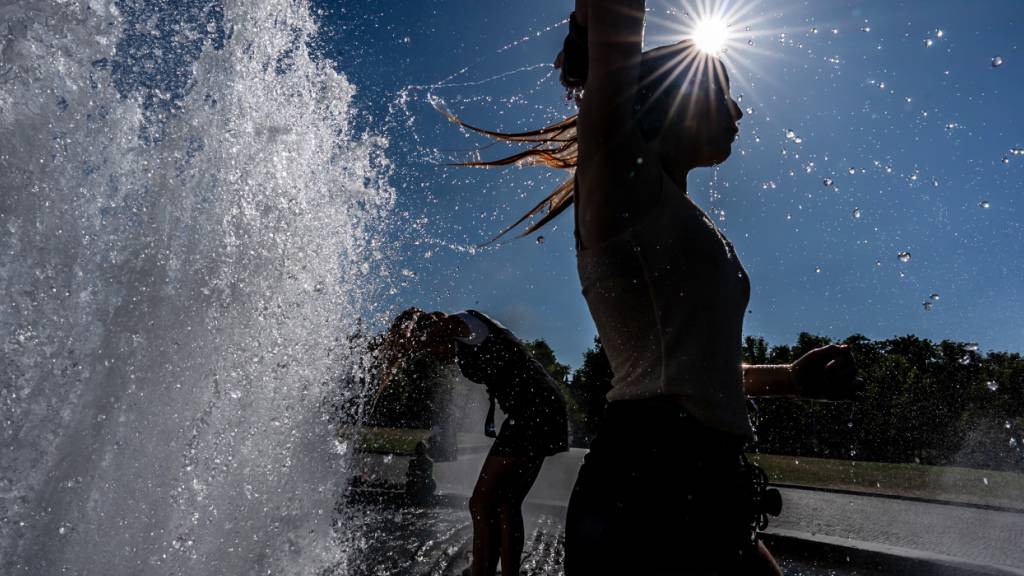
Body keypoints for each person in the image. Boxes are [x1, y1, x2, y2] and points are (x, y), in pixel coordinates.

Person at [446, 2, 858, 573]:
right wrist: (598, 36)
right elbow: (617, 30)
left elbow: (687, 370)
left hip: (704, 483)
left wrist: (789, 378)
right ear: (675, 104)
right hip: (648, 487)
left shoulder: (679, 215)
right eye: (722, 94)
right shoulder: (620, 186)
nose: (738, 109)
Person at [381, 308, 569, 576]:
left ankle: (482, 571)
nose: (434, 355)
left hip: (533, 410)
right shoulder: (469, 333)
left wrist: (398, 345)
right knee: (506, 502)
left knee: (481, 503)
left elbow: (429, 334)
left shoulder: (462, 323)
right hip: (539, 408)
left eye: (433, 349)